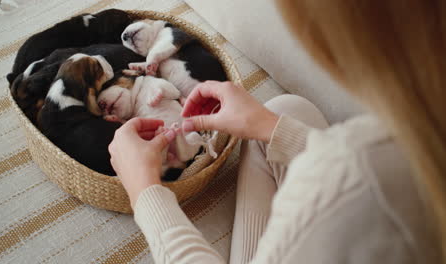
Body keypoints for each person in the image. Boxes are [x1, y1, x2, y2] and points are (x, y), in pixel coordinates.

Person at [108, 0, 445, 263]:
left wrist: (144, 191)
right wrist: (268, 127)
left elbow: (362, 175)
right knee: (286, 110)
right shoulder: (413, 139)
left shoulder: (356, 176)